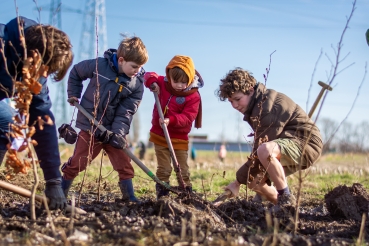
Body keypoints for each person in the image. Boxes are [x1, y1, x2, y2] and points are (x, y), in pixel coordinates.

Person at [216, 68, 322, 212]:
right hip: (286, 141)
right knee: (254, 181)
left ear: (250, 90)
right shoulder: (255, 107)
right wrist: (243, 180)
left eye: (237, 99)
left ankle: (285, 197)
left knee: (264, 150)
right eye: (230, 101)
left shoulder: (267, 107)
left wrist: (237, 182)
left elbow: (261, 150)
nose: (234, 105)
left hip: (305, 142)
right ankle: (288, 208)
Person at [61, 36, 148, 203]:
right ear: (121, 60)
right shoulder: (99, 66)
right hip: (90, 126)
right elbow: (76, 73)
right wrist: (73, 94)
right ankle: (61, 191)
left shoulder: (136, 84)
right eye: (135, 66)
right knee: (79, 162)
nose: (138, 71)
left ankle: (129, 197)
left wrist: (117, 134)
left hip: (112, 132)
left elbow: (126, 112)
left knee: (124, 162)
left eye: (141, 67)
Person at [0, 16, 73, 209]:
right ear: (33, 58)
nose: (44, 77)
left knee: (6, 121)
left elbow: (42, 119)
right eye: (45, 70)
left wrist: (53, 181)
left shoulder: (35, 74)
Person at [144, 55, 204, 199]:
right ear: (169, 75)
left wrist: (171, 120)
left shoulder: (193, 95)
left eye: (183, 82)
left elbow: (189, 117)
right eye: (175, 81)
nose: (179, 85)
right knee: (164, 168)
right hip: (160, 135)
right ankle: (162, 192)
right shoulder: (163, 83)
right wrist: (153, 83)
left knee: (182, 169)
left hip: (179, 138)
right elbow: (147, 75)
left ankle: (186, 192)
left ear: (190, 79)